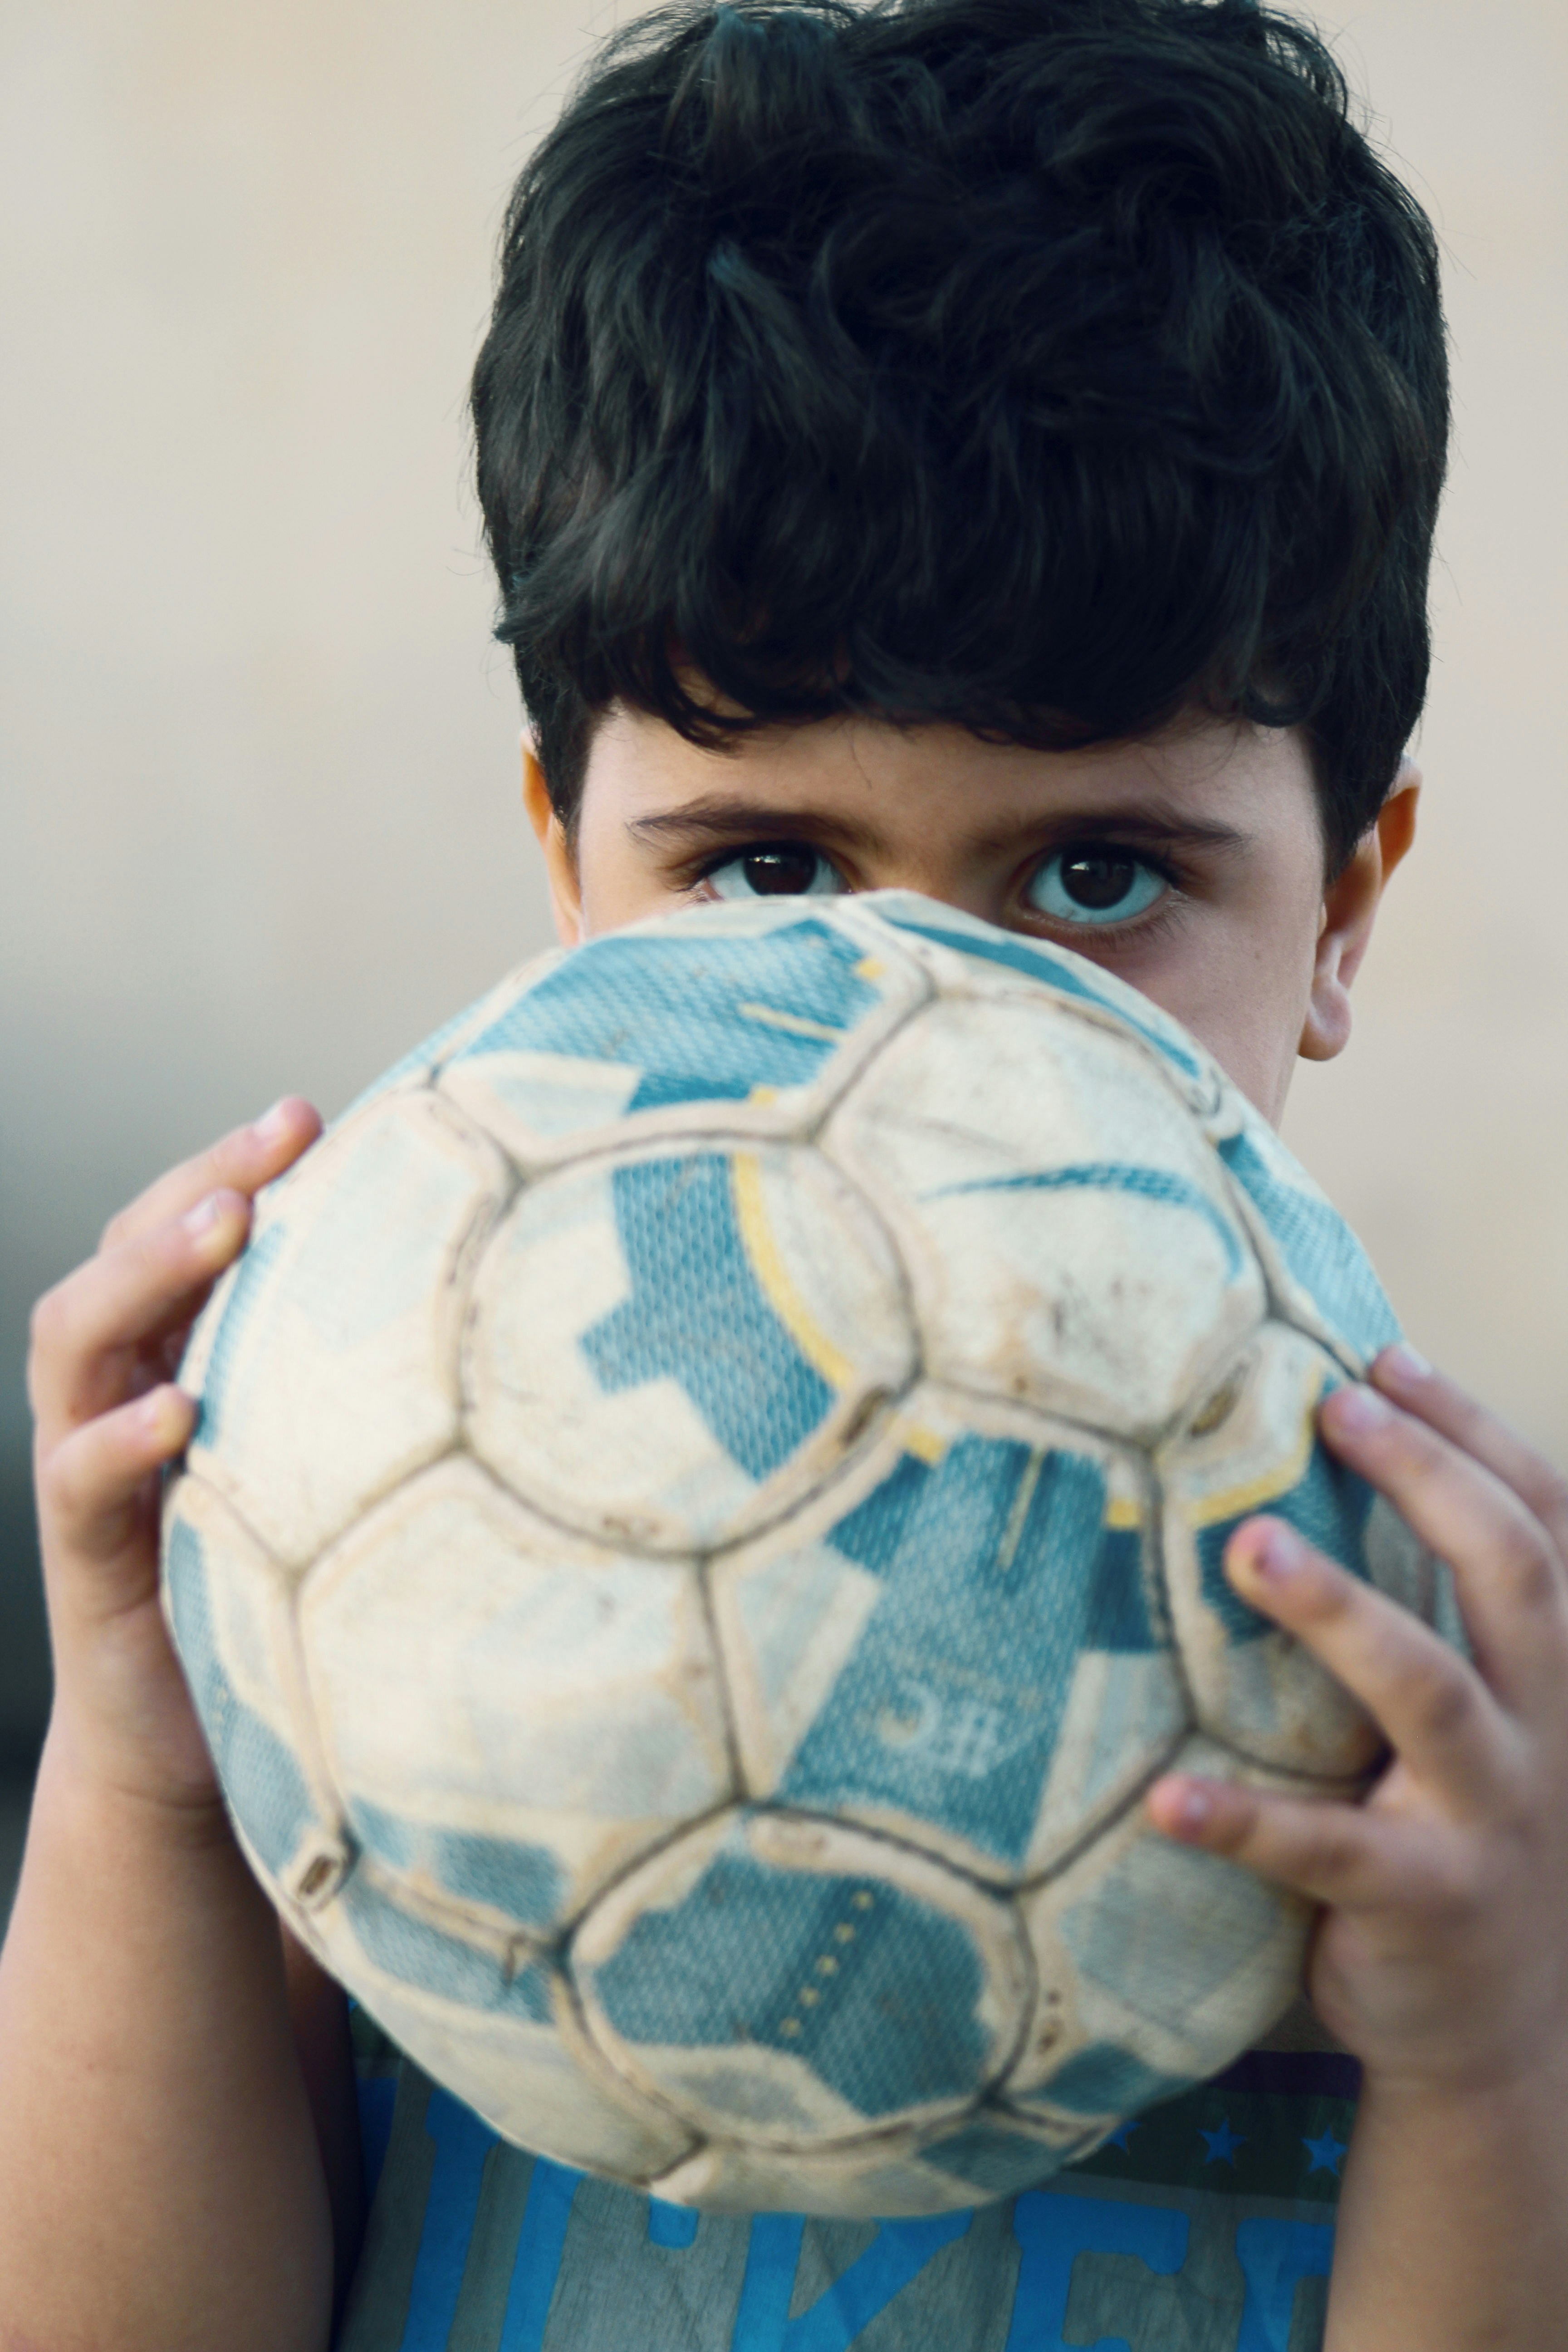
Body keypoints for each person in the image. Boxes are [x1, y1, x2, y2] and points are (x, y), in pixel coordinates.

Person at [5, 0, 1567, 2345]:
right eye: (764, 877)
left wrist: (1486, 2055)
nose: (916, 1042)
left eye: (1098, 882)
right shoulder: (407, 1598)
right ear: (568, 873)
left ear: (1342, 912)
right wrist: (148, 1767)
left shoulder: (1462, 1757)